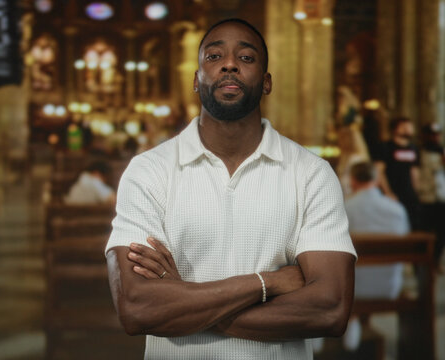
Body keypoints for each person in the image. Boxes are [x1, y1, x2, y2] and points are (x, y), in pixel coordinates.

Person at [105, 18, 357, 359]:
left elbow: (330, 309)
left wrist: (182, 300)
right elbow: (136, 308)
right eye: (214, 56)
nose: (229, 64)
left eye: (247, 58)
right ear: (196, 80)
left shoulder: (311, 173)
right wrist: (269, 282)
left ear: (266, 83)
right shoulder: (149, 171)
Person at [342, 161, 410, 350]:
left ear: (352, 181)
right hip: (389, 286)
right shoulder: (397, 209)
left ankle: (342, 332)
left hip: (351, 289)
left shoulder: (345, 208)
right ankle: (356, 325)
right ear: (377, 180)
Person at [373, 116, 421, 229]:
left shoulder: (414, 149)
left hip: (409, 193)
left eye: (410, 127)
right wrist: (387, 192)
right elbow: (379, 171)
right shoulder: (385, 147)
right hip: (392, 192)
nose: (408, 129)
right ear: (395, 129)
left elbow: (414, 171)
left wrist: (416, 190)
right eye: (404, 127)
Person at [418, 123, 445, 272]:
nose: (435, 137)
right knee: (425, 230)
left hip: (443, 194)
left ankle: (436, 260)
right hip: (425, 195)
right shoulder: (419, 151)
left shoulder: (444, 150)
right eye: (432, 135)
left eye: (437, 134)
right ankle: (423, 261)